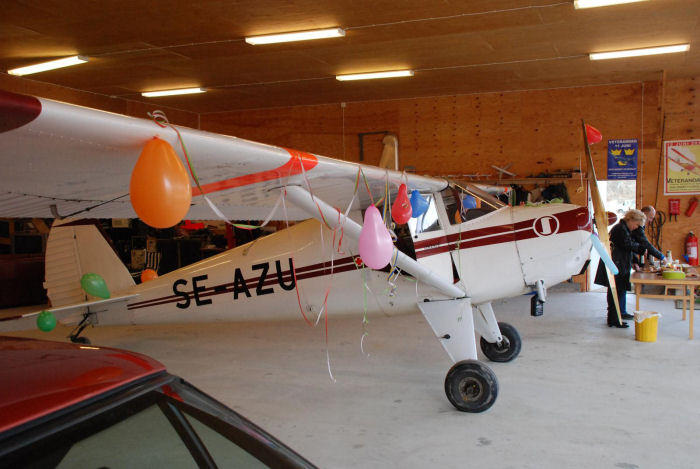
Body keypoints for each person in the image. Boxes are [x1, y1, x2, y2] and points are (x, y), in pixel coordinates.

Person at [594, 209, 647, 328]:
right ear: (631, 220)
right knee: (615, 293)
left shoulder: (624, 228)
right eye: (637, 225)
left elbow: (628, 247)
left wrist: (634, 260)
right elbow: (628, 244)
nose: (637, 228)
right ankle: (614, 319)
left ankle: (617, 316)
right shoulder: (620, 229)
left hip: (620, 263)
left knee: (618, 292)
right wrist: (641, 249)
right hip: (616, 264)